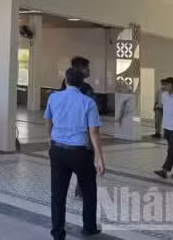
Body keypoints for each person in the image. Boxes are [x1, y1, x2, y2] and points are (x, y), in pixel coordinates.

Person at [45, 67, 105, 239]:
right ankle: (89, 227)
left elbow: (48, 120)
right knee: (88, 191)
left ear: (66, 80)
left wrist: (49, 138)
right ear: (82, 83)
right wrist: (99, 157)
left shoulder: (53, 97)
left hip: (57, 151)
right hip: (80, 153)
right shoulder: (88, 102)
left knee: (58, 194)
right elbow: (94, 133)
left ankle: (57, 233)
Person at [58, 56, 94, 198]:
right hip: (82, 132)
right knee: (85, 161)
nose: (88, 70)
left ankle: (74, 189)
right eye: (86, 67)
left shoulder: (65, 84)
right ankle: (82, 189)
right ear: (79, 69)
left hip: (63, 133)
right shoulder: (86, 88)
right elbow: (94, 109)